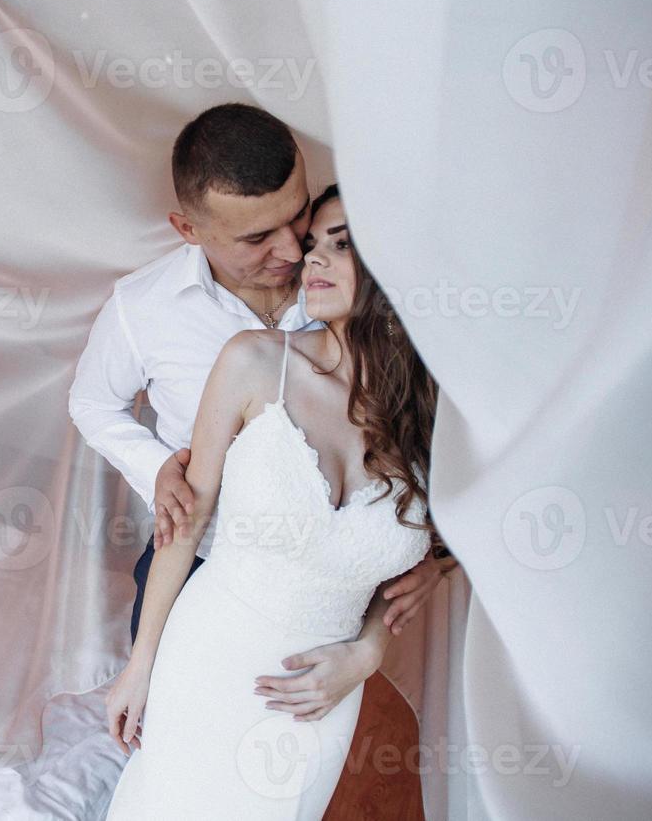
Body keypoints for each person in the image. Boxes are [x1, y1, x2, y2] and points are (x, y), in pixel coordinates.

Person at [68, 103, 445, 722]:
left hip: (331, 591)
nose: (294, 248)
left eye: (295, 215)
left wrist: (430, 561)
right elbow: (91, 403)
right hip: (195, 566)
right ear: (188, 229)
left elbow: (421, 451)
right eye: (256, 238)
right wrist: (161, 466)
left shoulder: (356, 285)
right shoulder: (143, 308)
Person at [101, 186, 447, 818]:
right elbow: (185, 525)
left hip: (323, 695)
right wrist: (140, 664)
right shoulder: (255, 363)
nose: (312, 259)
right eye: (312, 244)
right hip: (209, 658)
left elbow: (445, 552)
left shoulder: (431, 418)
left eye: (340, 245)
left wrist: (368, 653)